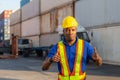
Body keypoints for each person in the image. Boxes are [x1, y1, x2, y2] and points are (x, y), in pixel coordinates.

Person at [42, 16, 102, 80]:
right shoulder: (57, 47)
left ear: (76, 30)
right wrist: (50, 60)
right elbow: (44, 68)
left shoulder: (85, 45)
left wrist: (97, 59)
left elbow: (99, 64)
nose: (70, 33)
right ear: (63, 31)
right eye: (67, 30)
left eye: (73, 30)